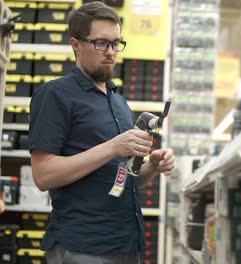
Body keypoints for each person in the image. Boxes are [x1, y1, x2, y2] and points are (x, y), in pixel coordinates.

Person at [28, 2, 174, 263]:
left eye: (117, 43)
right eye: (101, 43)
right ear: (76, 44)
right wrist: (114, 147)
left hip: (126, 243)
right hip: (83, 246)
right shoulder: (55, 95)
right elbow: (43, 175)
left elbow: (122, 180)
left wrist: (151, 166)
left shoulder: (118, 101)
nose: (111, 52)